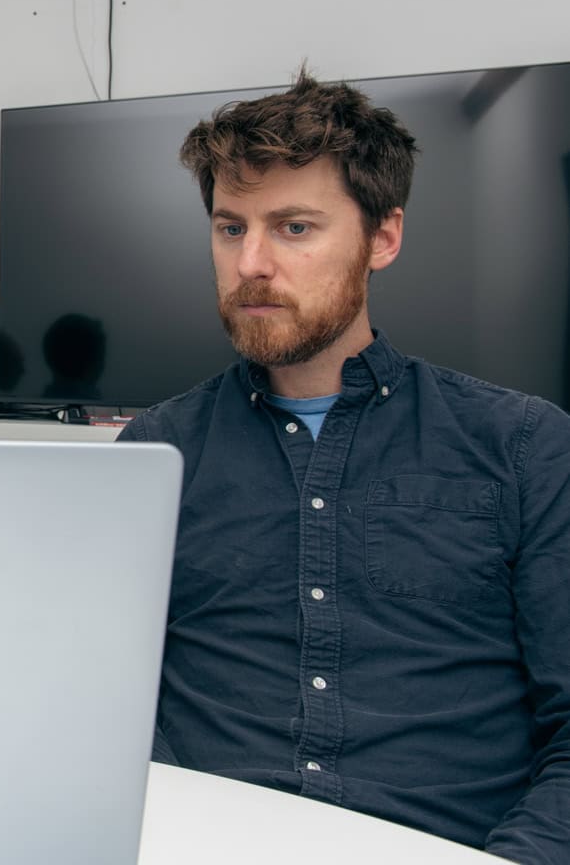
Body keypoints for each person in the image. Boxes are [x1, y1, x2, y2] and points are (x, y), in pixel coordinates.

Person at [118, 71, 570, 861]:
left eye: (293, 228)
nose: (251, 262)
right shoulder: (159, 453)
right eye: (231, 229)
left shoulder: (524, 446)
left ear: (383, 236)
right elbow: (108, 707)